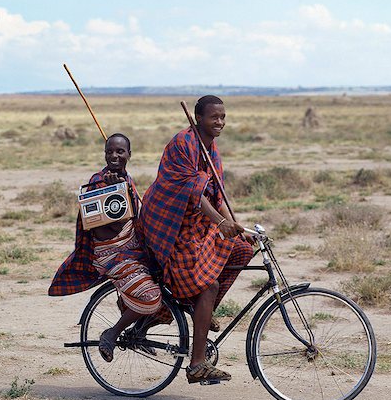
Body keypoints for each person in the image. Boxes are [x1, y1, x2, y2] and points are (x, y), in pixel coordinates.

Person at [142, 95, 254, 384]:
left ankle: (200, 311)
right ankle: (197, 363)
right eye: (214, 117)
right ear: (199, 118)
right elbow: (193, 193)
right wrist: (220, 222)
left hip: (196, 228)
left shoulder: (211, 149)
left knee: (241, 249)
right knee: (208, 285)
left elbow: (217, 195)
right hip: (171, 229)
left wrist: (236, 225)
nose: (220, 122)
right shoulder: (183, 144)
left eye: (223, 117)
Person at [48, 133, 162, 362]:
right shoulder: (98, 183)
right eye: (110, 151)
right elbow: (104, 228)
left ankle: (139, 333)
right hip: (111, 253)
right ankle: (112, 334)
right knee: (151, 297)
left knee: (169, 276)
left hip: (131, 246)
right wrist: (115, 194)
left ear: (129, 154)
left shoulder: (126, 179)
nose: (114, 156)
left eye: (120, 151)